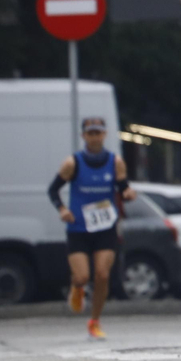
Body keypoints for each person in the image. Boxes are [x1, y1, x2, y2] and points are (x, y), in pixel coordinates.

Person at [46, 117, 135, 339]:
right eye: (90, 133)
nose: (95, 137)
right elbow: (53, 190)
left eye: (98, 133)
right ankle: (77, 287)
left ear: (104, 135)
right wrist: (62, 209)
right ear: (83, 136)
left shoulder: (116, 162)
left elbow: (123, 188)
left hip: (105, 227)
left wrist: (128, 194)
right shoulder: (72, 163)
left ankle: (94, 321)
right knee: (83, 276)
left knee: (103, 274)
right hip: (79, 228)